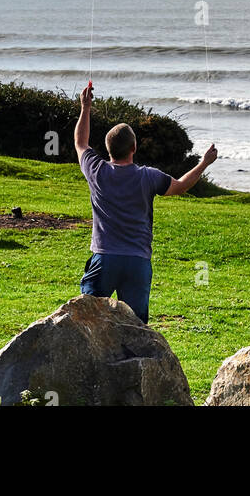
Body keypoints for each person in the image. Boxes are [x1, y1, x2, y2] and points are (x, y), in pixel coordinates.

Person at [74, 83, 217, 324]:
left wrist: (85, 107)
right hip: (137, 262)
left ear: (108, 149)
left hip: (105, 258)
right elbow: (181, 186)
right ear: (134, 147)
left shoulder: (96, 170)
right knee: (137, 327)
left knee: (88, 320)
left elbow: (80, 142)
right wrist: (204, 163)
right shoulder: (148, 176)